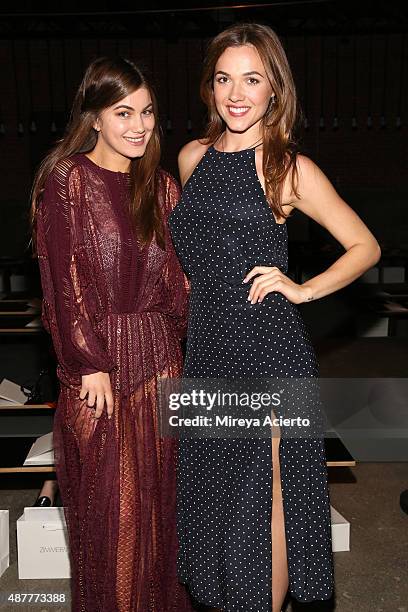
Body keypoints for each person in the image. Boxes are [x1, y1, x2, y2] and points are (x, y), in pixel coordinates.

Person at [168, 23, 381, 612]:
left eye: (252, 79)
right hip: (208, 349)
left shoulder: (288, 168)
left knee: (269, 497)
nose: (236, 93)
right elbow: (195, 256)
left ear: (274, 91)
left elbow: (365, 246)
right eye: (223, 79)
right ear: (210, 88)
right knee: (221, 497)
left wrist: (304, 289)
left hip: (267, 349)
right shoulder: (191, 159)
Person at [31, 57, 192, 612]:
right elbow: (63, 278)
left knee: (161, 517)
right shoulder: (67, 179)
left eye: (147, 112)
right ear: (94, 117)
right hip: (99, 370)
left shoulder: (162, 187)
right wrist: (87, 362)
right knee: (115, 520)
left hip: (161, 365)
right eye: (123, 112)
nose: (139, 125)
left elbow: (178, 283)